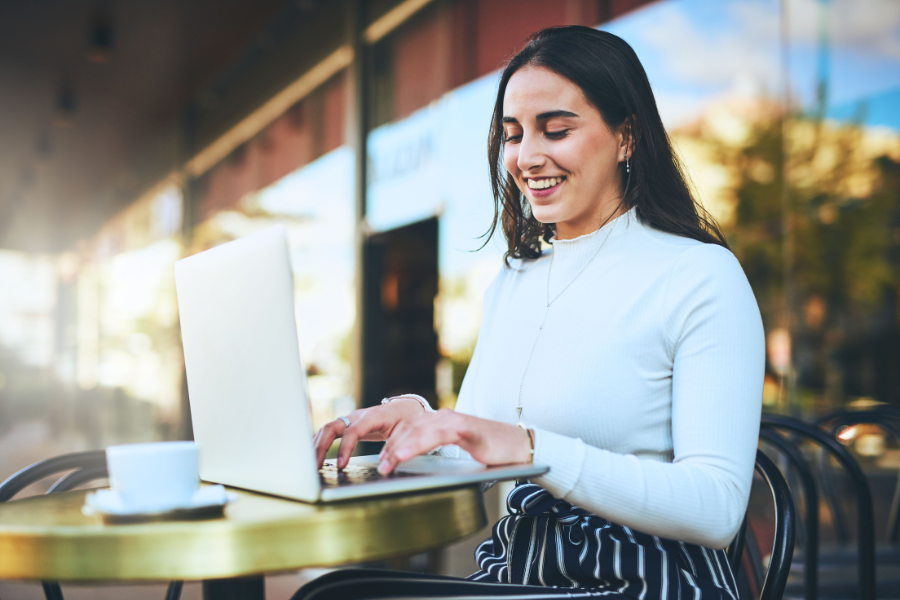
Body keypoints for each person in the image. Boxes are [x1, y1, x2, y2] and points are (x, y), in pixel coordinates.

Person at [293, 25, 764, 600]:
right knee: (337, 592)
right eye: (513, 135)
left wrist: (535, 449)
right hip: (523, 569)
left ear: (627, 137)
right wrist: (418, 421)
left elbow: (716, 510)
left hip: (644, 576)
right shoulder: (514, 280)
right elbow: (483, 440)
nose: (527, 157)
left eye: (557, 130)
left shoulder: (698, 276)